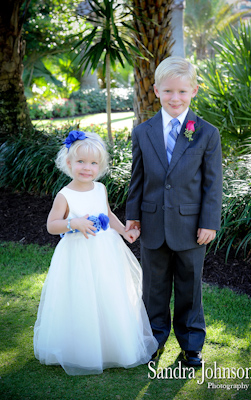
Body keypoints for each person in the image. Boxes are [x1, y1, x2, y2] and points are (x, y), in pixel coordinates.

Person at [33, 130, 158, 375]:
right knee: (81, 296)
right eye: (80, 162)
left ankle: (112, 344)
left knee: (108, 294)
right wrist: (74, 223)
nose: (86, 168)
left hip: (105, 251)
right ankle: (81, 347)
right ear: (68, 163)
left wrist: (123, 231)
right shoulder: (64, 195)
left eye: (93, 163)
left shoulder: (100, 188)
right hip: (77, 254)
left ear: (99, 166)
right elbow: (51, 225)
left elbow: (107, 214)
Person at [126, 56, 223, 367]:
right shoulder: (143, 132)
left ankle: (191, 345)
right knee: (153, 288)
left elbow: (212, 183)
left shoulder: (206, 133)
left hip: (191, 226)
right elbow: (137, 178)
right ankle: (153, 341)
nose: (175, 98)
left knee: (189, 287)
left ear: (194, 91)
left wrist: (210, 222)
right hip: (152, 223)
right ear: (156, 91)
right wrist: (133, 216)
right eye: (168, 91)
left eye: (182, 91)